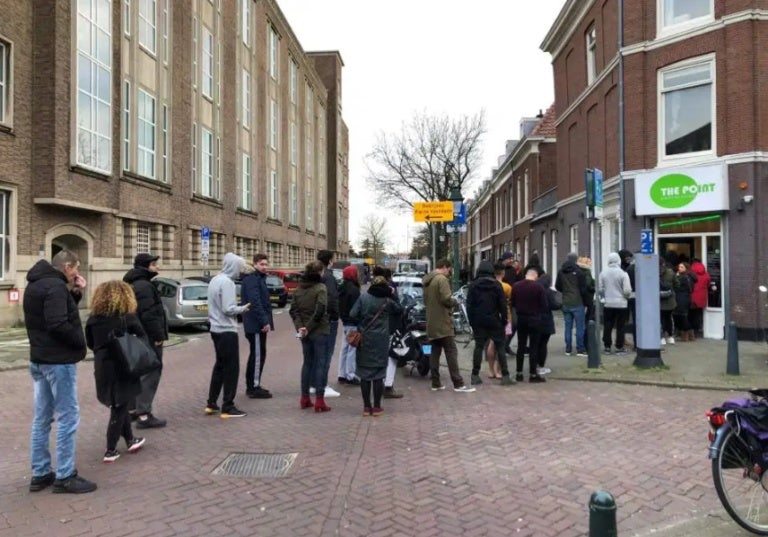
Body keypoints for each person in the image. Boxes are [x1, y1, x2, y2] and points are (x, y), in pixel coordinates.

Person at [24, 249, 97, 494]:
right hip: (57, 362)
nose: (77, 272)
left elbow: (52, 315)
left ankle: (40, 472)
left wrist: (76, 293)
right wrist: (79, 342)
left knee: (42, 418)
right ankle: (65, 475)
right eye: (75, 268)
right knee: (68, 417)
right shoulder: (55, 287)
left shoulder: (35, 285)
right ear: (67, 267)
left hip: (40, 359)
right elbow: (57, 323)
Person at [86, 281, 147, 463]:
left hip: (102, 366)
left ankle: (130, 440)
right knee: (120, 407)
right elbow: (141, 336)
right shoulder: (126, 317)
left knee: (119, 404)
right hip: (123, 366)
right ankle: (110, 449)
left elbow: (90, 342)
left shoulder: (92, 319)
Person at [123, 253, 168, 429]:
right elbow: (148, 314)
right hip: (147, 337)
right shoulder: (144, 286)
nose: (157, 267)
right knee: (151, 371)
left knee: (138, 372)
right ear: (146, 266)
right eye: (154, 264)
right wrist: (157, 336)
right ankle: (143, 414)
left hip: (139, 335)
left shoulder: (135, 283)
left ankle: (133, 410)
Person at [205, 253, 252, 418]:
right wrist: (243, 308)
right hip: (227, 330)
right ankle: (228, 406)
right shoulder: (228, 283)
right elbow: (228, 308)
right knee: (232, 368)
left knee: (219, 366)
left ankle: (211, 402)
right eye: (239, 267)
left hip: (215, 329)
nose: (240, 271)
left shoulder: (215, 280)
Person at [350, 276, 402, 416]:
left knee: (365, 374)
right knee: (378, 374)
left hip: (365, 339)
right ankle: (377, 407)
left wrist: (362, 323)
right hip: (381, 340)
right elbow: (399, 309)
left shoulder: (363, 298)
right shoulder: (387, 300)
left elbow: (353, 314)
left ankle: (367, 407)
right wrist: (393, 294)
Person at [422, 259, 474, 393]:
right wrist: (455, 301)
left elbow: (425, 301)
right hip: (443, 322)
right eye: (449, 269)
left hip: (431, 322)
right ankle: (458, 383)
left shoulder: (427, 281)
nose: (449, 272)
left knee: (435, 352)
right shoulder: (441, 279)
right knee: (451, 351)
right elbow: (446, 298)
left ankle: (436, 382)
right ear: (444, 267)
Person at [290, 261, 331, 412]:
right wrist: (309, 327)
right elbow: (320, 310)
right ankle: (320, 400)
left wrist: (301, 327)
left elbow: (294, 310)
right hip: (319, 330)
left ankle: (305, 397)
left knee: (307, 363)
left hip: (304, 332)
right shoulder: (321, 288)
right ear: (319, 272)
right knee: (320, 364)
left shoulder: (299, 289)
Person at [466, 261, 514, 386]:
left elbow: (469, 306)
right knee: (500, 347)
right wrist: (504, 320)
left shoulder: (473, 285)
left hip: (479, 321)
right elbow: (502, 305)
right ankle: (505, 376)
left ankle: (475, 375)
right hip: (494, 320)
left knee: (479, 347)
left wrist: (472, 322)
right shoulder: (497, 285)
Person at [240, 253, 274, 399]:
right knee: (258, 355)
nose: (264, 267)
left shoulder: (259, 279)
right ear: (254, 264)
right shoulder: (252, 280)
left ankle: (253, 384)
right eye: (261, 264)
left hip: (256, 323)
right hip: (255, 324)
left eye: (266, 264)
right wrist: (264, 321)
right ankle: (253, 387)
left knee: (258, 354)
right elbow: (255, 302)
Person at [312, 250, 341, 398]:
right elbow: (331, 298)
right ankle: (322, 385)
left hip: (314, 319)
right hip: (328, 320)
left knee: (316, 353)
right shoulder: (328, 277)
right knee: (326, 353)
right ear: (329, 260)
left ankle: (313, 383)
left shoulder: (313, 275)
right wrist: (335, 316)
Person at [512, 268, 549, 383]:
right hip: (534, 319)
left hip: (521, 318)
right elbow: (544, 305)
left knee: (521, 346)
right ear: (535, 276)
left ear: (526, 275)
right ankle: (533, 374)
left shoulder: (516, 286)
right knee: (534, 347)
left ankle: (519, 373)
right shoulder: (538, 287)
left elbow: (512, 303)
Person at [555, 252, 589, 356]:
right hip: (578, 302)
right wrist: (586, 301)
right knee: (580, 327)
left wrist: (565, 292)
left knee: (568, 326)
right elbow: (583, 289)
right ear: (576, 260)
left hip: (566, 302)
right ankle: (580, 349)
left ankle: (568, 349)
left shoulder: (561, 272)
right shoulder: (579, 272)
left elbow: (557, 286)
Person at [599, 252, 632, 354]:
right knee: (620, 326)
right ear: (619, 261)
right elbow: (627, 290)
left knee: (607, 325)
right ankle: (619, 347)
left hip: (608, 304)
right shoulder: (623, 274)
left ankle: (607, 346)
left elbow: (600, 289)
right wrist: (625, 297)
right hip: (621, 304)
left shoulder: (603, 273)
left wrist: (605, 297)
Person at [484, 263, 513, 378]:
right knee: (502, 345)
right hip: (505, 318)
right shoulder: (507, 287)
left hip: (492, 317)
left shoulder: (488, 286)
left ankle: (490, 370)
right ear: (503, 273)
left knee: (491, 343)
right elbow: (510, 301)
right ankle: (498, 371)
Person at [381, 267, 404, 399]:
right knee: (392, 355)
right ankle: (388, 385)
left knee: (380, 356)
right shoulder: (391, 290)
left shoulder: (372, 292)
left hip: (376, 329)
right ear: (389, 277)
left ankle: (379, 383)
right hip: (391, 327)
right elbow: (398, 308)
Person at [337, 265, 361, 385]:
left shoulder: (342, 287)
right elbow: (356, 308)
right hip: (353, 322)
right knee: (352, 348)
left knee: (344, 348)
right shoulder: (354, 290)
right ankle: (350, 375)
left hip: (345, 321)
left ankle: (341, 374)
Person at [535, 271, 557, 376]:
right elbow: (554, 305)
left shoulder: (534, 289)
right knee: (543, 344)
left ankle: (533, 365)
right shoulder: (548, 292)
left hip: (533, 319)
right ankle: (541, 366)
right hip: (545, 320)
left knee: (535, 343)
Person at [673, 262, 697, 341]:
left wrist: (676, 277)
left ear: (686, 268)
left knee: (682, 316)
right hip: (686, 297)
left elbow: (676, 286)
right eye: (679, 266)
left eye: (682, 267)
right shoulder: (690, 276)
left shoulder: (682, 277)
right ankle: (690, 335)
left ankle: (685, 335)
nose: (679, 268)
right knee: (684, 316)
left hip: (681, 298)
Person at [618, 249, 636, 348]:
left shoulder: (630, 268)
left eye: (630, 258)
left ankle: (624, 339)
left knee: (627, 319)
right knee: (623, 320)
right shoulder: (621, 269)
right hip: (623, 297)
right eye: (626, 258)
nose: (628, 260)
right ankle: (622, 339)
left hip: (630, 296)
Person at [689, 258, 710, 339]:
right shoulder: (706, 274)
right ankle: (698, 330)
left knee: (691, 314)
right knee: (698, 314)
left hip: (692, 297)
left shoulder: (690, 273)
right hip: (702, 297)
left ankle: (691, 331)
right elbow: (708, 284)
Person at [659, 257, 677, 345]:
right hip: (670, 300)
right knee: (669, 318)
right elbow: (677, 284)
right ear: (664, 263)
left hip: (658, 300)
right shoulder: (671, 272)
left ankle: (661, 338)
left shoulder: (652, 272)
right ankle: (670, 337)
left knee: (660, 319)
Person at [577, 256, 596, 322]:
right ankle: (586, 330)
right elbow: (588, 284)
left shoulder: (579, 270)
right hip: (588, 296)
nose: (591, 263)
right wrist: (593, 288)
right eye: (589, 262)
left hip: (580, 296)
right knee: (588, 314)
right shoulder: (587, 271)